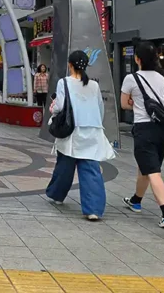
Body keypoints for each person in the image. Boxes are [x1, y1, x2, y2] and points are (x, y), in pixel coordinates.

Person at [44, 51, 115, 221]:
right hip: (93, 130)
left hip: (72, 131)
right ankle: (94, 209)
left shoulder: (64, 82)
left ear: (70, 64)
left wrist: (52, 109)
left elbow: (59, 106)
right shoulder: (94, 85)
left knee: (65, 166)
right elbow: (100, 108)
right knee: (90, 170)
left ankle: (56, 194)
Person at [120, 40, 164, 229]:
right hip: (161, 129)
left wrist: (135, 103)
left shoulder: (131, 79)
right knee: (146, 167)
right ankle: (136, 200)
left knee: (153, 172)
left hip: (143, 128)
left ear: (137, 59)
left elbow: (124, 105)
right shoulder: (161, 78)